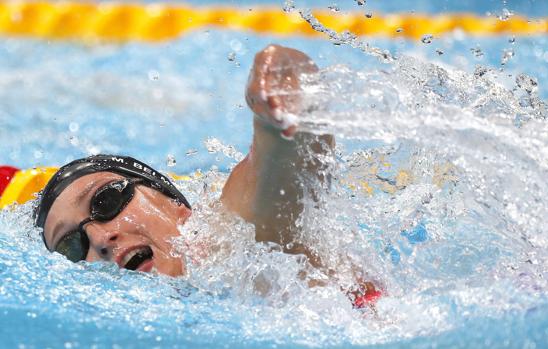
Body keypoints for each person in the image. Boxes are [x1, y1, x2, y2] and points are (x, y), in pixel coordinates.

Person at [33, 45, 381, 307]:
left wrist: (283, 103)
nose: (98, 237)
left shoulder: (233, 245)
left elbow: (284, 168)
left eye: (106, 200)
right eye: (71, 247)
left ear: (171, 202)